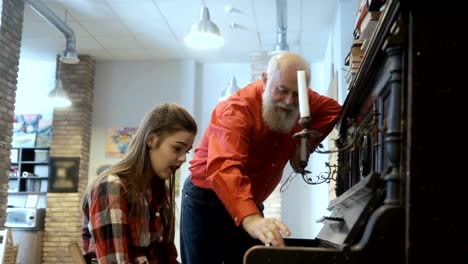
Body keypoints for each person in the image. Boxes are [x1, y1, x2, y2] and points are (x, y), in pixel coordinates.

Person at [180, 52, 342, 264]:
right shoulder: (235, 110)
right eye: (282, 91)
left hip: (249, 200)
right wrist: (252, 218)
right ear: (265, 79)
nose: (288, 101)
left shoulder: (301, 99)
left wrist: (303, 145)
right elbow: (224, 167)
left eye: (296, 94)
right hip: (207, 201)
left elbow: (332, 110)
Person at [82, 103, 197, 264]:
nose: (183, 158)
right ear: (151, 140)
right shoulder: (110, 187)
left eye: (187, 151)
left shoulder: (157, 192)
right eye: (177, 148)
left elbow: (168, 258)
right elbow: (116, 262)